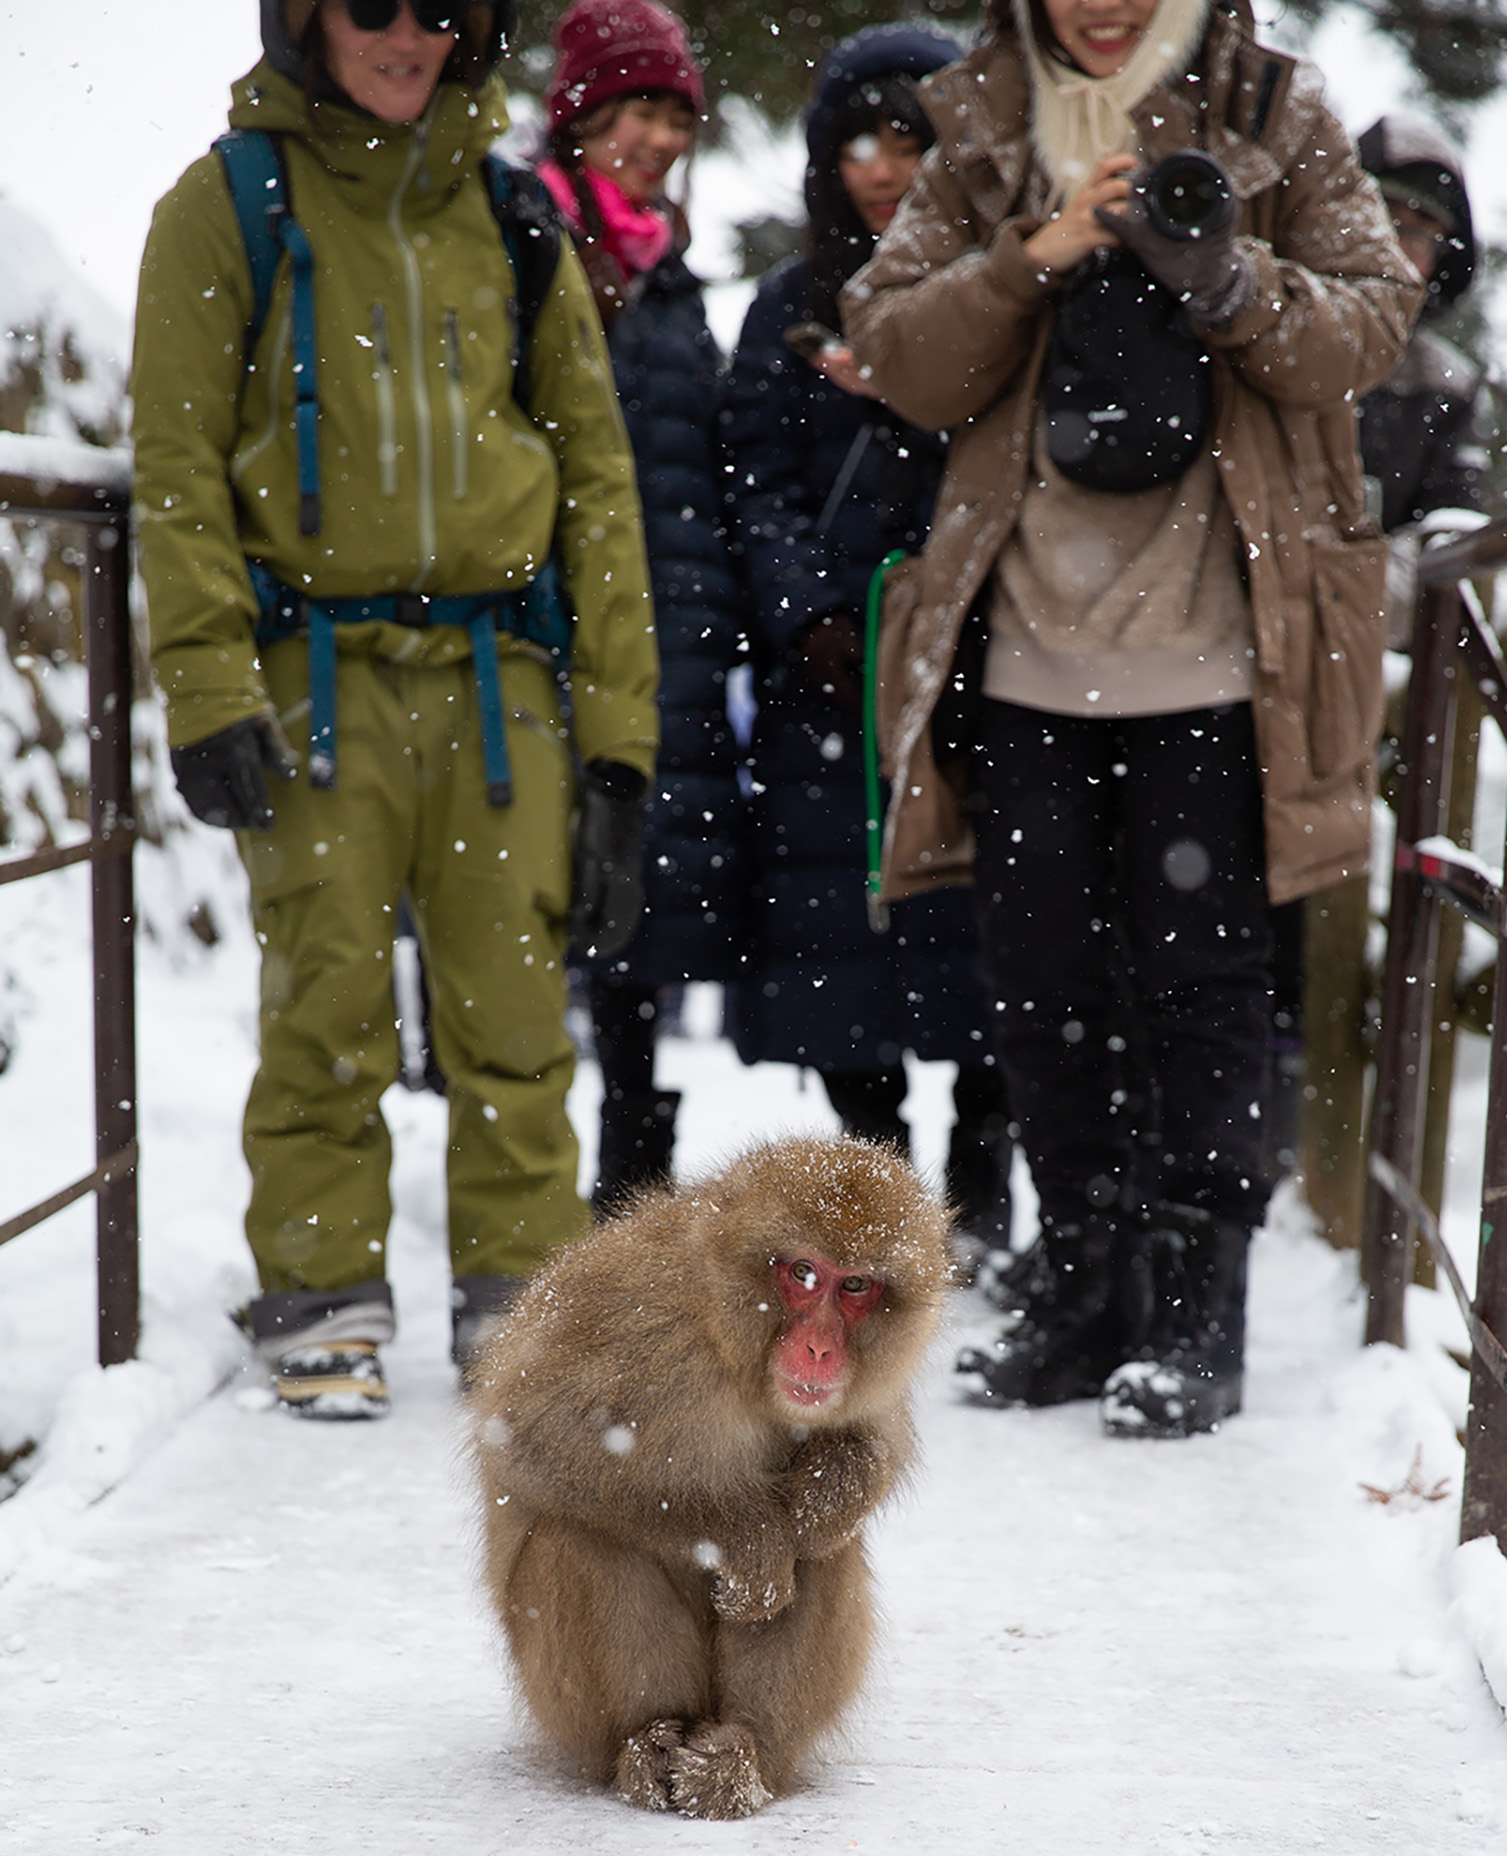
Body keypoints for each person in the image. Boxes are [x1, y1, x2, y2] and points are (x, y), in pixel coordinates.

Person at [842, 0, 1422, 1433]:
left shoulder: (1277, 107)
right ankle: (1083, 1283)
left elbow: (1370, 327)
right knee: (1037, 979)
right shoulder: (978, 115)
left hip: (1226, 651)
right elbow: (897, 353)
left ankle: (1198, 1305)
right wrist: (1031, 258)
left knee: (1202, 986)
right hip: (1026, 639)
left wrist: (1226, 276)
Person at [132, 0, 658, 1417]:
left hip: (503, 686)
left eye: (443, 10)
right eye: (373, 4)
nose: (407, 35)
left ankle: (523, 1301)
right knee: (327, 1004)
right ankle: (322, 1293)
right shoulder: (228, 204)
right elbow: (176, 464)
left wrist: (619, 746)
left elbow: (598, 486)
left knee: (516, 1019)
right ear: (306, 15)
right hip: (315, 675)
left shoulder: (511, 215)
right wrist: (207, 682)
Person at [720, 24, 1013, 1263]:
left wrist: (960, 614)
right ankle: (881, 1208)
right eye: (857, 140)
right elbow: (752, 479)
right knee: (845, 964)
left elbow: (1009, 469)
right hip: (826, 686)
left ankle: (985, 1200)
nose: (882, 167)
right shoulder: (789, 306)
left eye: (909, 137)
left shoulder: (994, 288)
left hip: (972, 668)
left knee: (990, 944)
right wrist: (808, 614)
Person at [539, 0, 747, 1207]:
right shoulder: (527, 243)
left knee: (640, 920)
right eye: (638, 109)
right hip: (543, 631)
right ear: (582, 113)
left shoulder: (669, 280)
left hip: (666, 636)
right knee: (525, 908)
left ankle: (628, 1189)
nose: (660, 135)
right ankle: (518, 1191)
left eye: (676, 113)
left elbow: (698, 467)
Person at [1357, 115, 1491, 640]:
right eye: (1384, 215)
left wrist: (1347, 588)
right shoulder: (1265, 329)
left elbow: (1451, 535)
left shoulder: (1447, 385)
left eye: (1421, 229)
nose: (1398, 243)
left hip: (1369, 644)